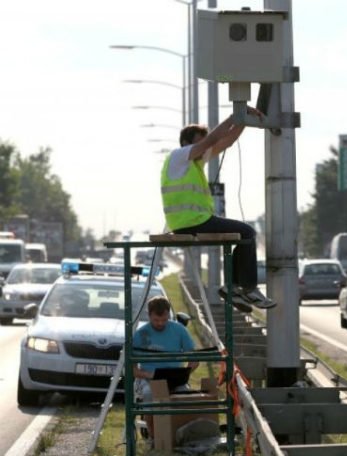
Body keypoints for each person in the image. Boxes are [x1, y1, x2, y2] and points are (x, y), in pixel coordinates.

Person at [160, 109, 275, 312]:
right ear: (187, 143)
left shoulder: (194, 162)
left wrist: (243, 121)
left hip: (192, 222)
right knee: (247, 232)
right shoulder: (179, 157)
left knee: (241, 235)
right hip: (192, 222)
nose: (206, 148)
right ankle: (245, 288)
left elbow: (225, 142)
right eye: (199, 143)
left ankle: (234, 288)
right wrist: (233, 117)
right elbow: (212, 140)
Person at [133, 296, 199, 441]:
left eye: (164, 320)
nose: (160, 323)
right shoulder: (140, 334)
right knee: (150, 394)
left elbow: (194, 359)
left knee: (185, 395)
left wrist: (185, 373)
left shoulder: (179, 330)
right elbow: (133, 369)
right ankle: (154, 438)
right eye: (156, 320)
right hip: (149, 378)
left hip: (175, 378)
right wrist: (148, 375)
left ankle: (179, 436)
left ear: (169, 314)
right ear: (149, 315)